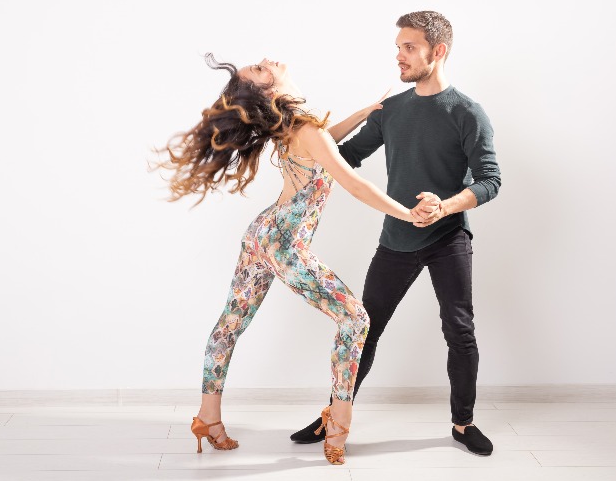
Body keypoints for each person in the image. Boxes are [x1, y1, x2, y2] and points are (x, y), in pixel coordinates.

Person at [154, 54, 438, 465]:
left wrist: (358, 115)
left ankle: (207, 417)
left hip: (262, 235)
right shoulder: (302, 128)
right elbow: (354, 184)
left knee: (229, 326)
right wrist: (407, 214)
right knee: (355, 319)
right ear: (267, 89)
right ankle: (339, 420)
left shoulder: (290, 126)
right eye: (258, 67)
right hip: (284, 244)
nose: (264, 59)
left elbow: (320, 144)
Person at [289, 11, 502, 456]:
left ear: (437, 51)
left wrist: (444, 205)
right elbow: (342, 157)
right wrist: (303, 136)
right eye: (398, 47)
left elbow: (489, 180)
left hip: (448, 239)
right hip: (396, 241)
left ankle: (462, 424)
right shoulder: (394, 110)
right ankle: (334, 412)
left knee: (459, 331)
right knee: (362, 329)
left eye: (409, 47)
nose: (399, 56)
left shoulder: (467, 112)